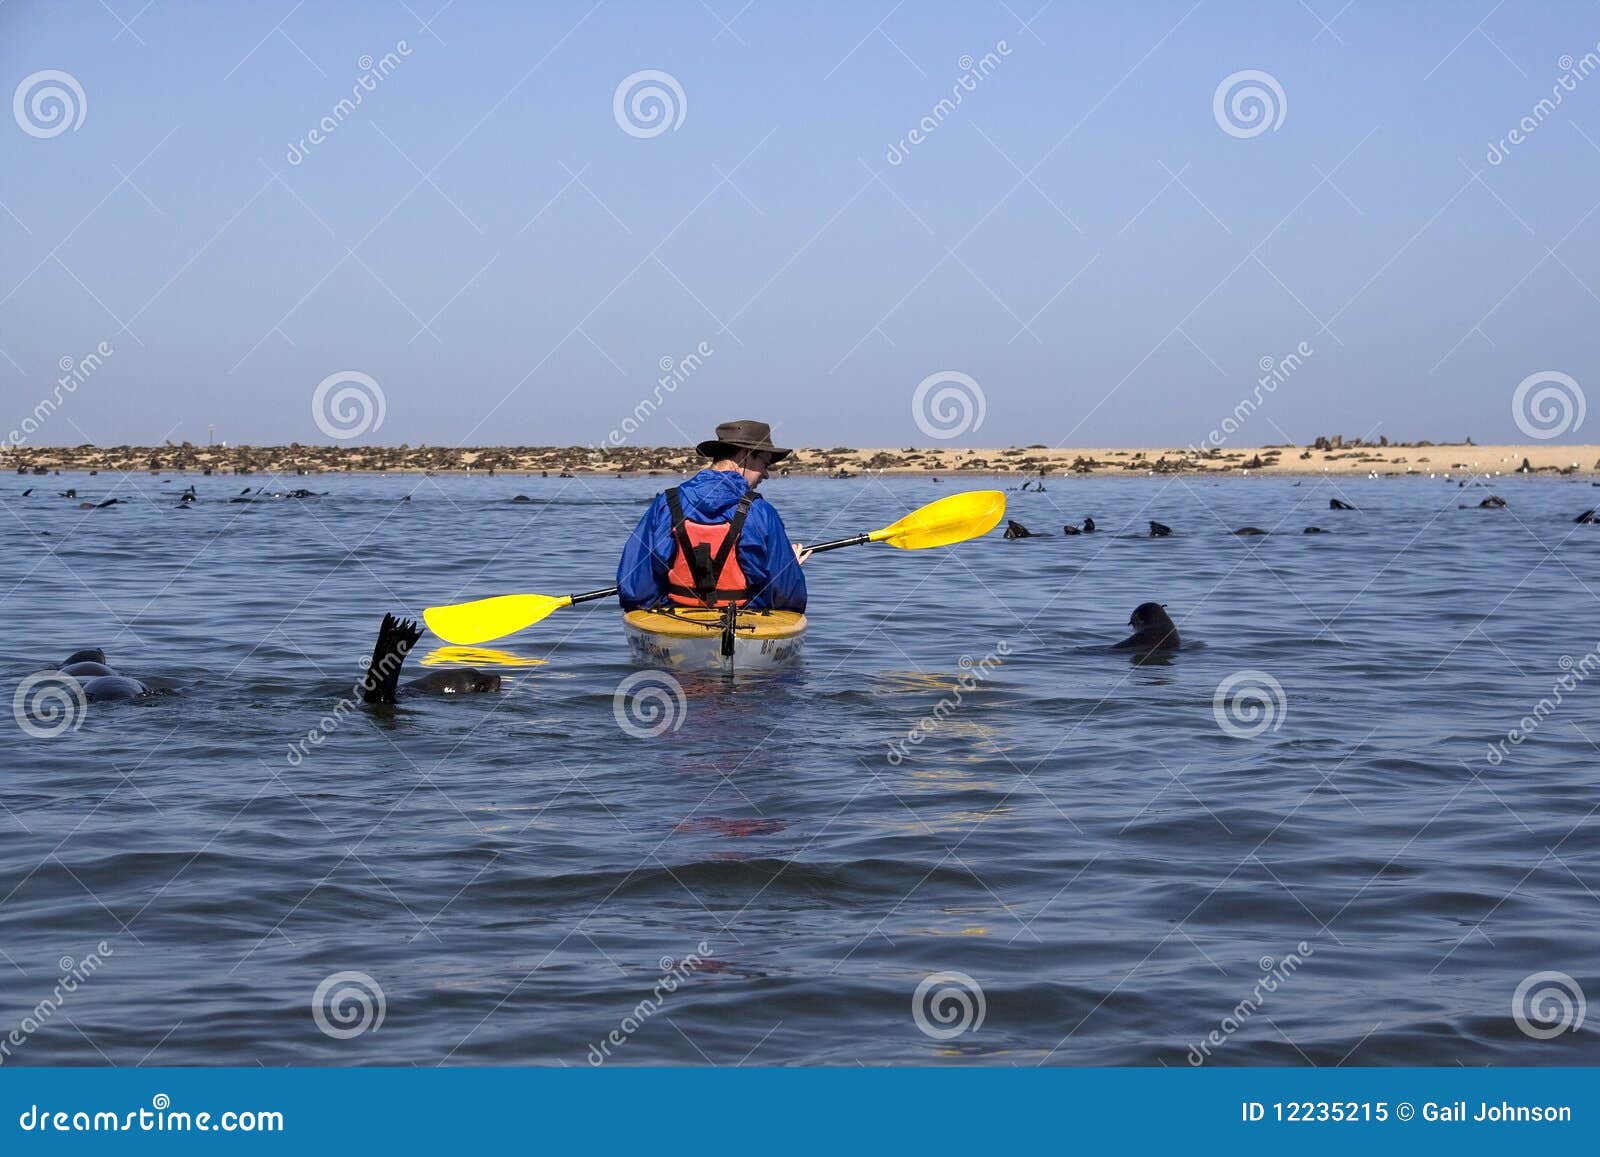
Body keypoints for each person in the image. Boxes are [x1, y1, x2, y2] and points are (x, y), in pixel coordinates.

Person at [618, 420, 810, 611]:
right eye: (765, 463)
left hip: (676, 621)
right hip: (745, 623)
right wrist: (789, 568)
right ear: (745, 455)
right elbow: (789, 598)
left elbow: (634, 590)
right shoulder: (761, 512)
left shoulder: (666, 504)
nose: (766, 474)